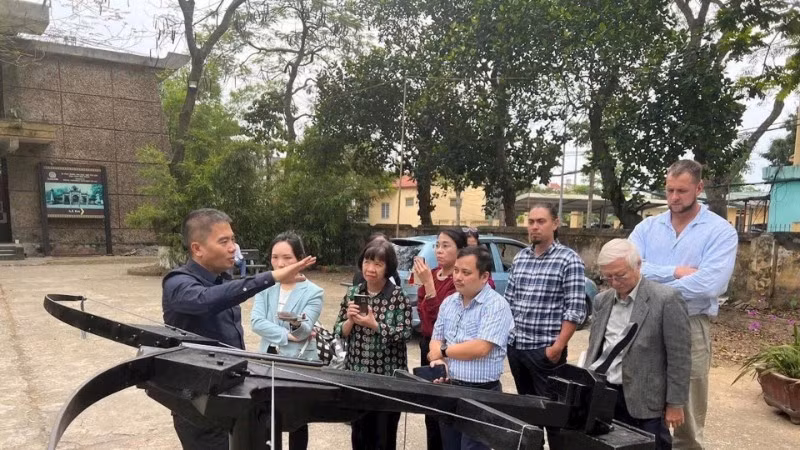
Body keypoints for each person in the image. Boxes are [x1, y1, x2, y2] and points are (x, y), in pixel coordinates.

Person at [162, 208, 315, 450]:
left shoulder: (224, 279)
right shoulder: (178, 283)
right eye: (224, 241)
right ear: (197, 249)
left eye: (233, 239)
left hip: (236, 397)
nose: (233, 247)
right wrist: (270, 277)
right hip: (200, 408)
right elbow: (206, 300)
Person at [629, 159, 738, 450]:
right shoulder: (647, 228)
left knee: (686, 412)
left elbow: (709, 284)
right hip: (644, 322)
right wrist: (675, 271)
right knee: (640, 398)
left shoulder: (720, 232)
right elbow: (629, 269)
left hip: (690, 325)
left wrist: (653, 285)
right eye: (670, 190)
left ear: (699, 188)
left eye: (682, 191)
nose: (674, 197)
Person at [585, 239, 690, 450]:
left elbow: (679, 358)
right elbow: (595, 347)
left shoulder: (666, 300)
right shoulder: (602, 301)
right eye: (608, 277)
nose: (614, 282)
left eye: (620, 275)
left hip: (645, 401)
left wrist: (675, 404)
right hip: (605, 396)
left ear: (638, 265)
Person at [504, 203, 586, 448]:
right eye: (531, 222)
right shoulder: (520, 258)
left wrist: (557, 347)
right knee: (528, 417)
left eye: (541, 221)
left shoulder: (569, 260)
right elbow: (509, 301)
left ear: (555, 223)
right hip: (518, 348)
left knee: (554, 418)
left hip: (546, 352)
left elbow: (575, 310)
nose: (534, 227)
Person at [427, 246, 514, 450]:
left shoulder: (496, 306)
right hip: (449, 387)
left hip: (481, 393)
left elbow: (481, 347)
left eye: (466, 273)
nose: (458, 277)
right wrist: (439, 360)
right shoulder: (449, 303)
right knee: (450, 445)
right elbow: (435, 339)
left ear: (484, 276)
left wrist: (444, 351)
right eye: (456, 270)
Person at [334, 240, 412, 450]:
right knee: (359, 436)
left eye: (378, 264)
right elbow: (337, 331)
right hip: (356, 376)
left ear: (388, 268)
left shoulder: (398, 297)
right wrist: (350, 320)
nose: (371, 268)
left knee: (384, 438)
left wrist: (375, 325)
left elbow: (405, 333)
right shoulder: (353, 293)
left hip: (387, 380)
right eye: (367, 262)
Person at [251, 232, 323, 450]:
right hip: (268, 357)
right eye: (275, 257)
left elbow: (303, 332)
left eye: (287, 258)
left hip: (297, 362)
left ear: (300, 259)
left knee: (297, 420)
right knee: (267, 415)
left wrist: (294, 324)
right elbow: (255, 322)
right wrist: (285, 335)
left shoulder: (314, 292)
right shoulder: (267, 284)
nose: (280, 263)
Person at [413, 229, 468, 450]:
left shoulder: (459, 281)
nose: (439, 250)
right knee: (429, 407)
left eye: (446, 246)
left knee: (446, 408)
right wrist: (428, 283)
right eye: (437, 245)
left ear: (460, 250)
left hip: (449, 349)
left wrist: (428, 285)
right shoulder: (433, 273)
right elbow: (423, 312)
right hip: (428, 343)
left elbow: (440, 318)